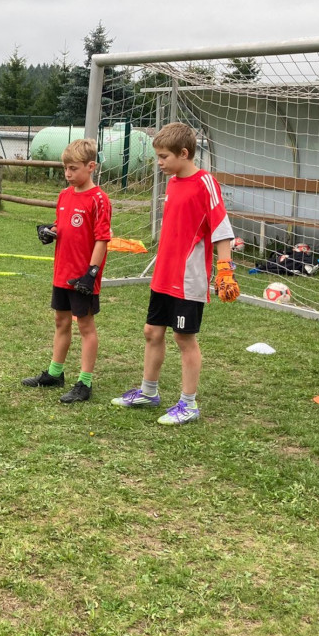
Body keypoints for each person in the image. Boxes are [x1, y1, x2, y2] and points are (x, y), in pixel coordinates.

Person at [113, 122, 238, 425]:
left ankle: (188, 404)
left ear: (184, 153)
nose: (159, 163)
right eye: (157, 156)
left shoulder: (205, 183)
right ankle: (148, 392)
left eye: (164, 157)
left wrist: (224, 270)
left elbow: (221, 229)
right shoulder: (172, 182)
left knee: (184, 338)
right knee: (152, 332)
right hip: (163, 275)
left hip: (188, 279)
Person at [21, 138, 112, 403]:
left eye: (73, 168)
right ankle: (54, 373)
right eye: (65, 168)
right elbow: (64, 227)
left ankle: (85, 383)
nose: (68, 174)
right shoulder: (64, 195)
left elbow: (102, 239)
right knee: (61, 322)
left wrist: (91, 273)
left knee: (85, 326)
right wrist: (49, 231)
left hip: (83, 277)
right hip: (62, 272)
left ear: (91, 166)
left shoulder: (99, 200)